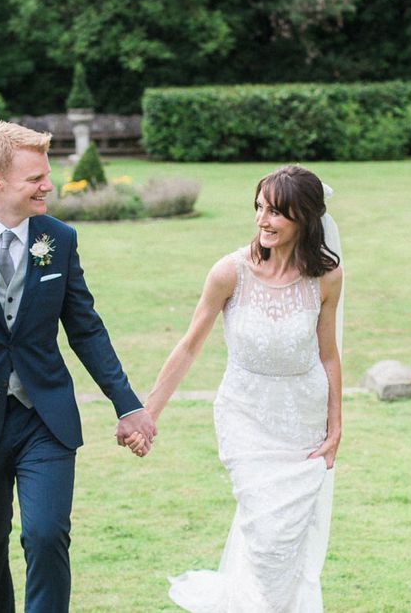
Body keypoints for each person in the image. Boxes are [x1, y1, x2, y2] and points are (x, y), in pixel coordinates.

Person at [0, 121, 156, 613]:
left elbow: (86, 329)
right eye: (35, 178)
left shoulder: (59, 239)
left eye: (46, 174)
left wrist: (128, 404)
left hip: (43, 418)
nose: (48, 185)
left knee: (47, 535)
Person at [126, 165, 343, 612]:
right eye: (259, 208)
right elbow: (189, 347)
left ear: (304, 218)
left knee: (287, 542)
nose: (263, 220)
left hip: (302, 421)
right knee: (266, 535)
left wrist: (336, 426)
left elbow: (328, 355)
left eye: (276, 212)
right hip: (245, 416)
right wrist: (148, 413)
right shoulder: (230, 272)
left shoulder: (326, 277)